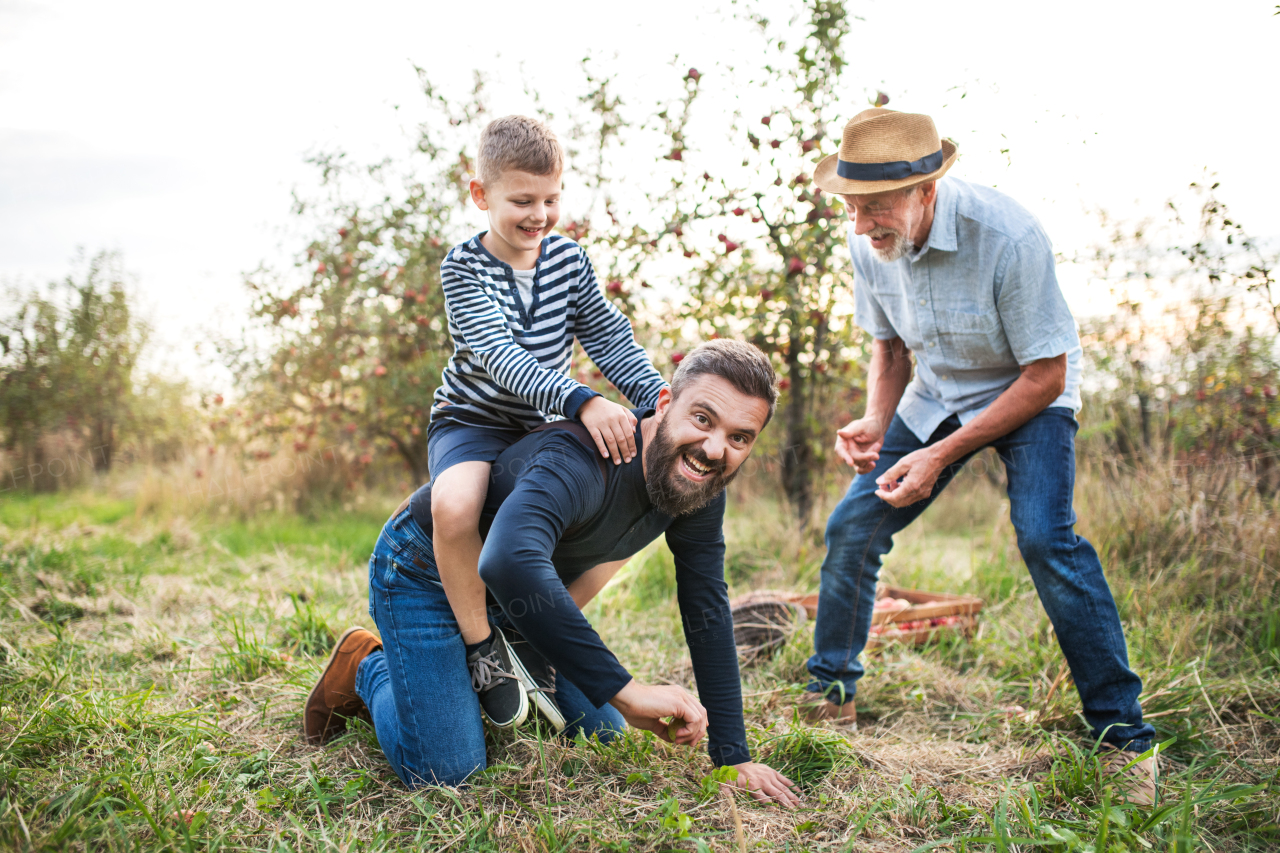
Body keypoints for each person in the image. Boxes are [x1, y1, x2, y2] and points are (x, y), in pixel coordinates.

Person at [800, 108, 1159, 804]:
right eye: (852, 207)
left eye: (876, 208)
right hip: (937, 391)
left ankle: (1124, 739)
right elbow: (891, 346)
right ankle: (831, 692)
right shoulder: (868, 244)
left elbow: (1045, 375)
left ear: (925, 191)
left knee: (1045, 536)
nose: (860, 225)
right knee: (853, 525)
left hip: (1029, 390)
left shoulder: (1008, 238)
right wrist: (877, 419)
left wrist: (940, 457)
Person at [304, 340, 799, 806]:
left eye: (739, 438)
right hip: (426, 572)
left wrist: (732, 755)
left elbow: (706, 608)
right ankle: (370, 667)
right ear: (664, 402)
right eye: (702, 419)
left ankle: (459, 670)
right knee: (448, 773)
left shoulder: (699, 486)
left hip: (517, 600)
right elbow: (508, 560)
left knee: (603, 734)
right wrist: (626, 692)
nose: (714, 449)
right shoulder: (582, 456)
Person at [428, 115, 668, 729]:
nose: (539, 215)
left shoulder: (568, 259)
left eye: (552, 199)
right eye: (522, 201)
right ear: (481, 196)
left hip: (543, 424)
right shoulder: (463, 269)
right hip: (475, 419)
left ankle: (536, 636)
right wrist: (582, 400)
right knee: (456, 507)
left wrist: (655, 398)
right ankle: (483, 648)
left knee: (625, 508)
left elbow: (608, 335)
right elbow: (500, 356)